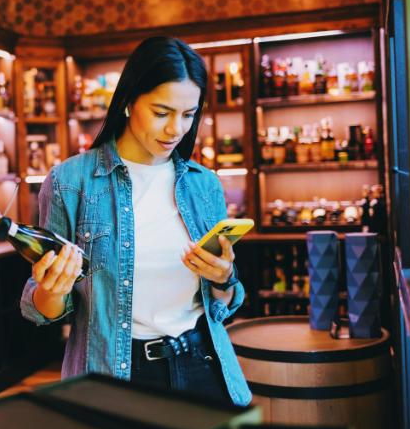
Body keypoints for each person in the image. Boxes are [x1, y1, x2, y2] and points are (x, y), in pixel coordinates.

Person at [20, 36, 251, 406]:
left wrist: (224, 278)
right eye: (162, 112)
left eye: (189, 115)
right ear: (128, 102)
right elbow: (41, 309)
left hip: (202, 367)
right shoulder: (71, 182)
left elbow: (223, 305)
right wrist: (53, 287)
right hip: (114, 377)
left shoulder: (204, 185)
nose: (176, 129)